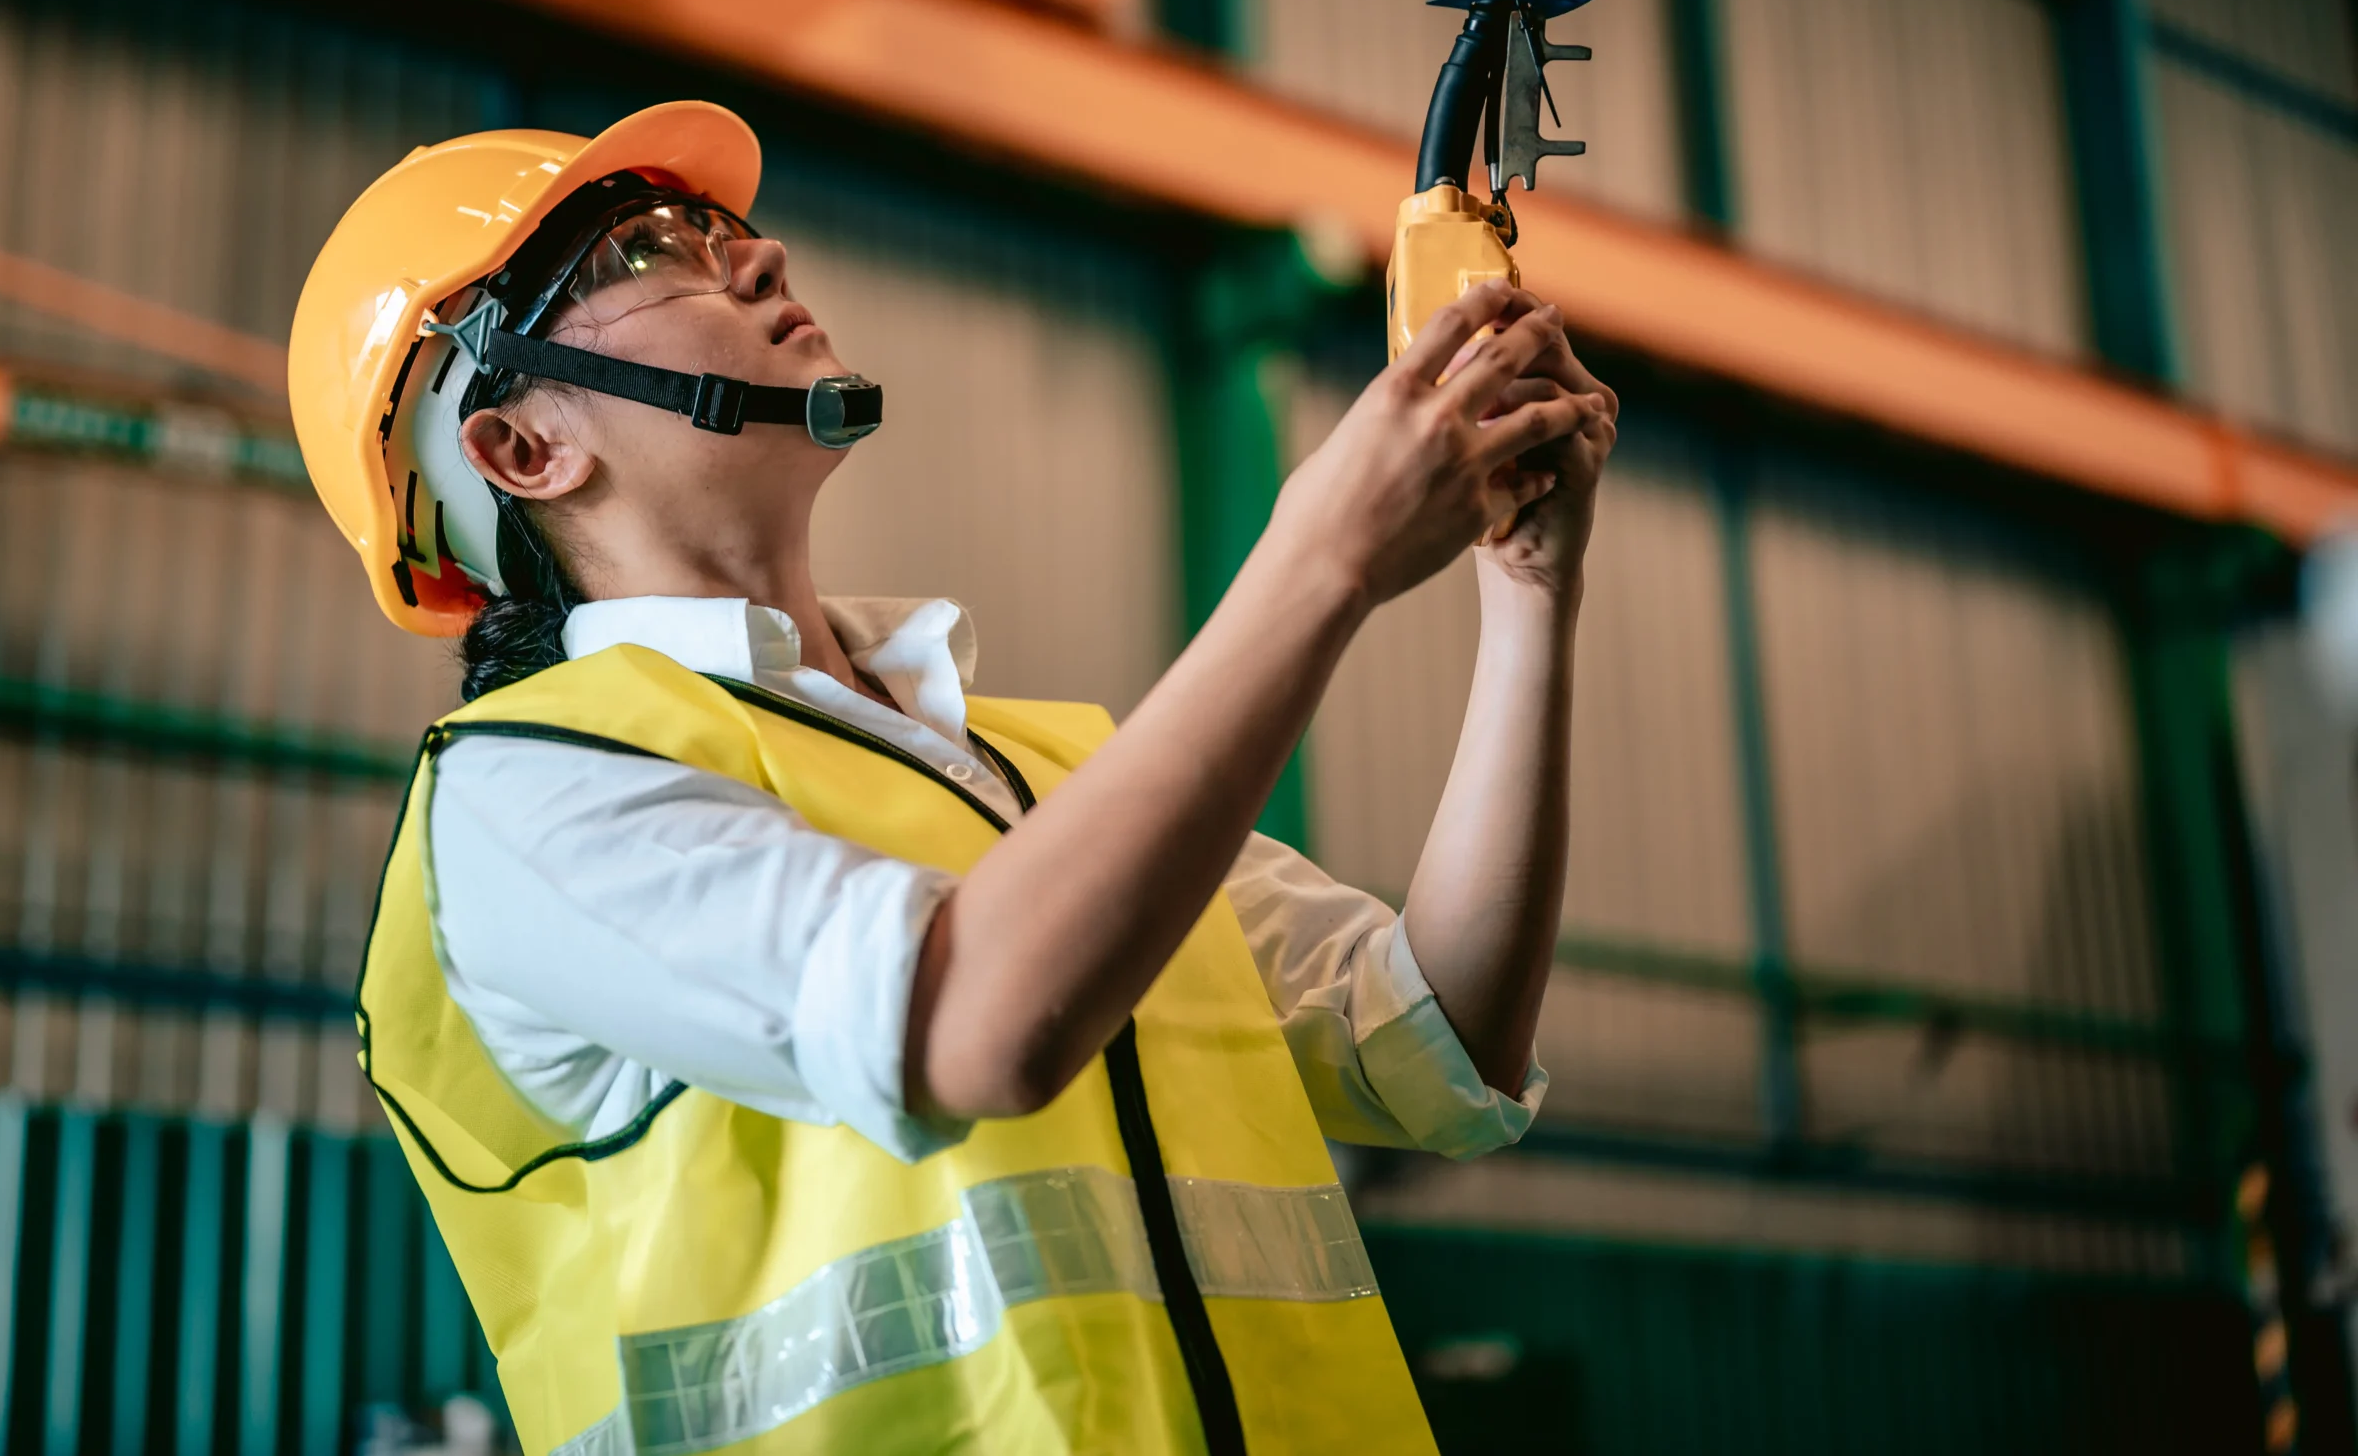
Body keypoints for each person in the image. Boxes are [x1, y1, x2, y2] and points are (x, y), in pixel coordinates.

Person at [289, 101, 1617, 1456]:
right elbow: (968, 1020)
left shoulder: (1041, 772)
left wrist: (1529, 592)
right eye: (643, 252)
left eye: (719, 227)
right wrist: (1322, 557)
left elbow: (1438, 1043)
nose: (758, 257)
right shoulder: (525, 798)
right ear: (522, 451)